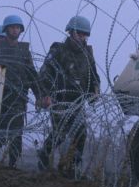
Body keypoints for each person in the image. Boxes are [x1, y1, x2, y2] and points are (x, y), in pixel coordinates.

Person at [37, 15, 100, 177]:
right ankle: (44, 154)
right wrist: (45, 94)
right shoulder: (58, 50)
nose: (82, 37)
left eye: (84, 35)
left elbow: (93, 75)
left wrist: (95, 90)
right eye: (79, 34)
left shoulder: (87, 53)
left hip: (78, 100)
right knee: (60, 132)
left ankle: (73, 167)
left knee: (81, 133)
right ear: (70, 32)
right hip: (60, 98)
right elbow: (45, 73)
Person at [0, 15, 40, 167]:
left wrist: (40, 94)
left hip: (18, 98)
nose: (15, 30)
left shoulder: (23, 51)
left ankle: (12, 165)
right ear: (6, 29)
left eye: (17, 28)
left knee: (16, 134)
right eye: (12, 27)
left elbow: (31, 74)